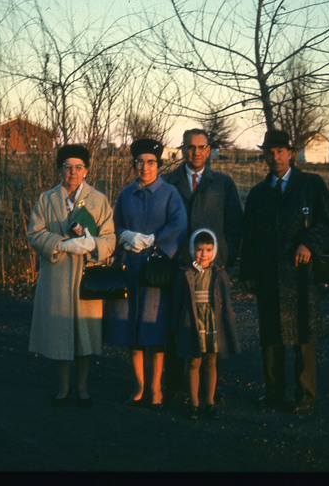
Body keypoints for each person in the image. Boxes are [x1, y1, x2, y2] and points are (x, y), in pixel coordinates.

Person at [240, 130, 329, 414]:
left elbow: (328, 223)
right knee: (271, 338)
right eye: (270, 152)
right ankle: (273, 392)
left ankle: (305, 396)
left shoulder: (311, 185)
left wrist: (309, 243)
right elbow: (250, 238)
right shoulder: (258, 194)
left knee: (304, 336)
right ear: (264, 156)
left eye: (281, 151)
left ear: (291, 153)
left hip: (300, 277)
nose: (276, 157)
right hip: (268, 275)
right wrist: (248, 274)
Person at [27, 144, 117, 408]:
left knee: (85, 334)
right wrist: (60, 244)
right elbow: (34, 233)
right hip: (56, 275)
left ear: (86, 170)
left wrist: (94, 246)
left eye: (79, 167)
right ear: (60, 170)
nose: (73, 172)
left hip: (87, 276)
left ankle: (83, 387)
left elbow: (110, 238)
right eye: (67, 167)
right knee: (60, 333)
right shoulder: (46, 199)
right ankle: (63, 388)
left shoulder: (98, 200)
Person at [103, 138, 187, 410]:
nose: (145, 167)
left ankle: (155, 388)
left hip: (156, 270)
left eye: (151, 162)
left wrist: (155, 241)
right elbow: (113, 225)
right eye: (140, 162)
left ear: (158, 165)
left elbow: (179, 225)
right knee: (132, 328)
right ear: (134, 164)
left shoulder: (170, 194)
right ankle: (138, 386)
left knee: (154, 327)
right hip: (130, 268)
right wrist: (123, 235)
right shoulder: (126, 194)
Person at [161, 129, 243, 400]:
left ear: (209, 150)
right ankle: (174, 385)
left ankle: (209, 389)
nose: (196, 152)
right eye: (190, 147)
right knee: (178, 324)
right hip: (179, 269)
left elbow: (235, 225)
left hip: (211, 270)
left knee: (210, 329)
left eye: (201, 147)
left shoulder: (222, 183)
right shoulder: (168, 182)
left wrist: (225, 260)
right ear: (183, 149)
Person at [170, 228, 240, 420]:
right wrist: (175, 326)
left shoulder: (219, 273)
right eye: (200, 250)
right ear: (193, 250)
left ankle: (209, 402)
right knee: (193, 361)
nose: (204, 255)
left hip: (212, 322)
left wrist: (227, 326)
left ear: (214, 250)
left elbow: (225, 303)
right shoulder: (185, 273)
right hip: (191, 322)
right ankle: (193, 403)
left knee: (210, 361)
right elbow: (177, 302)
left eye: (208, 250)